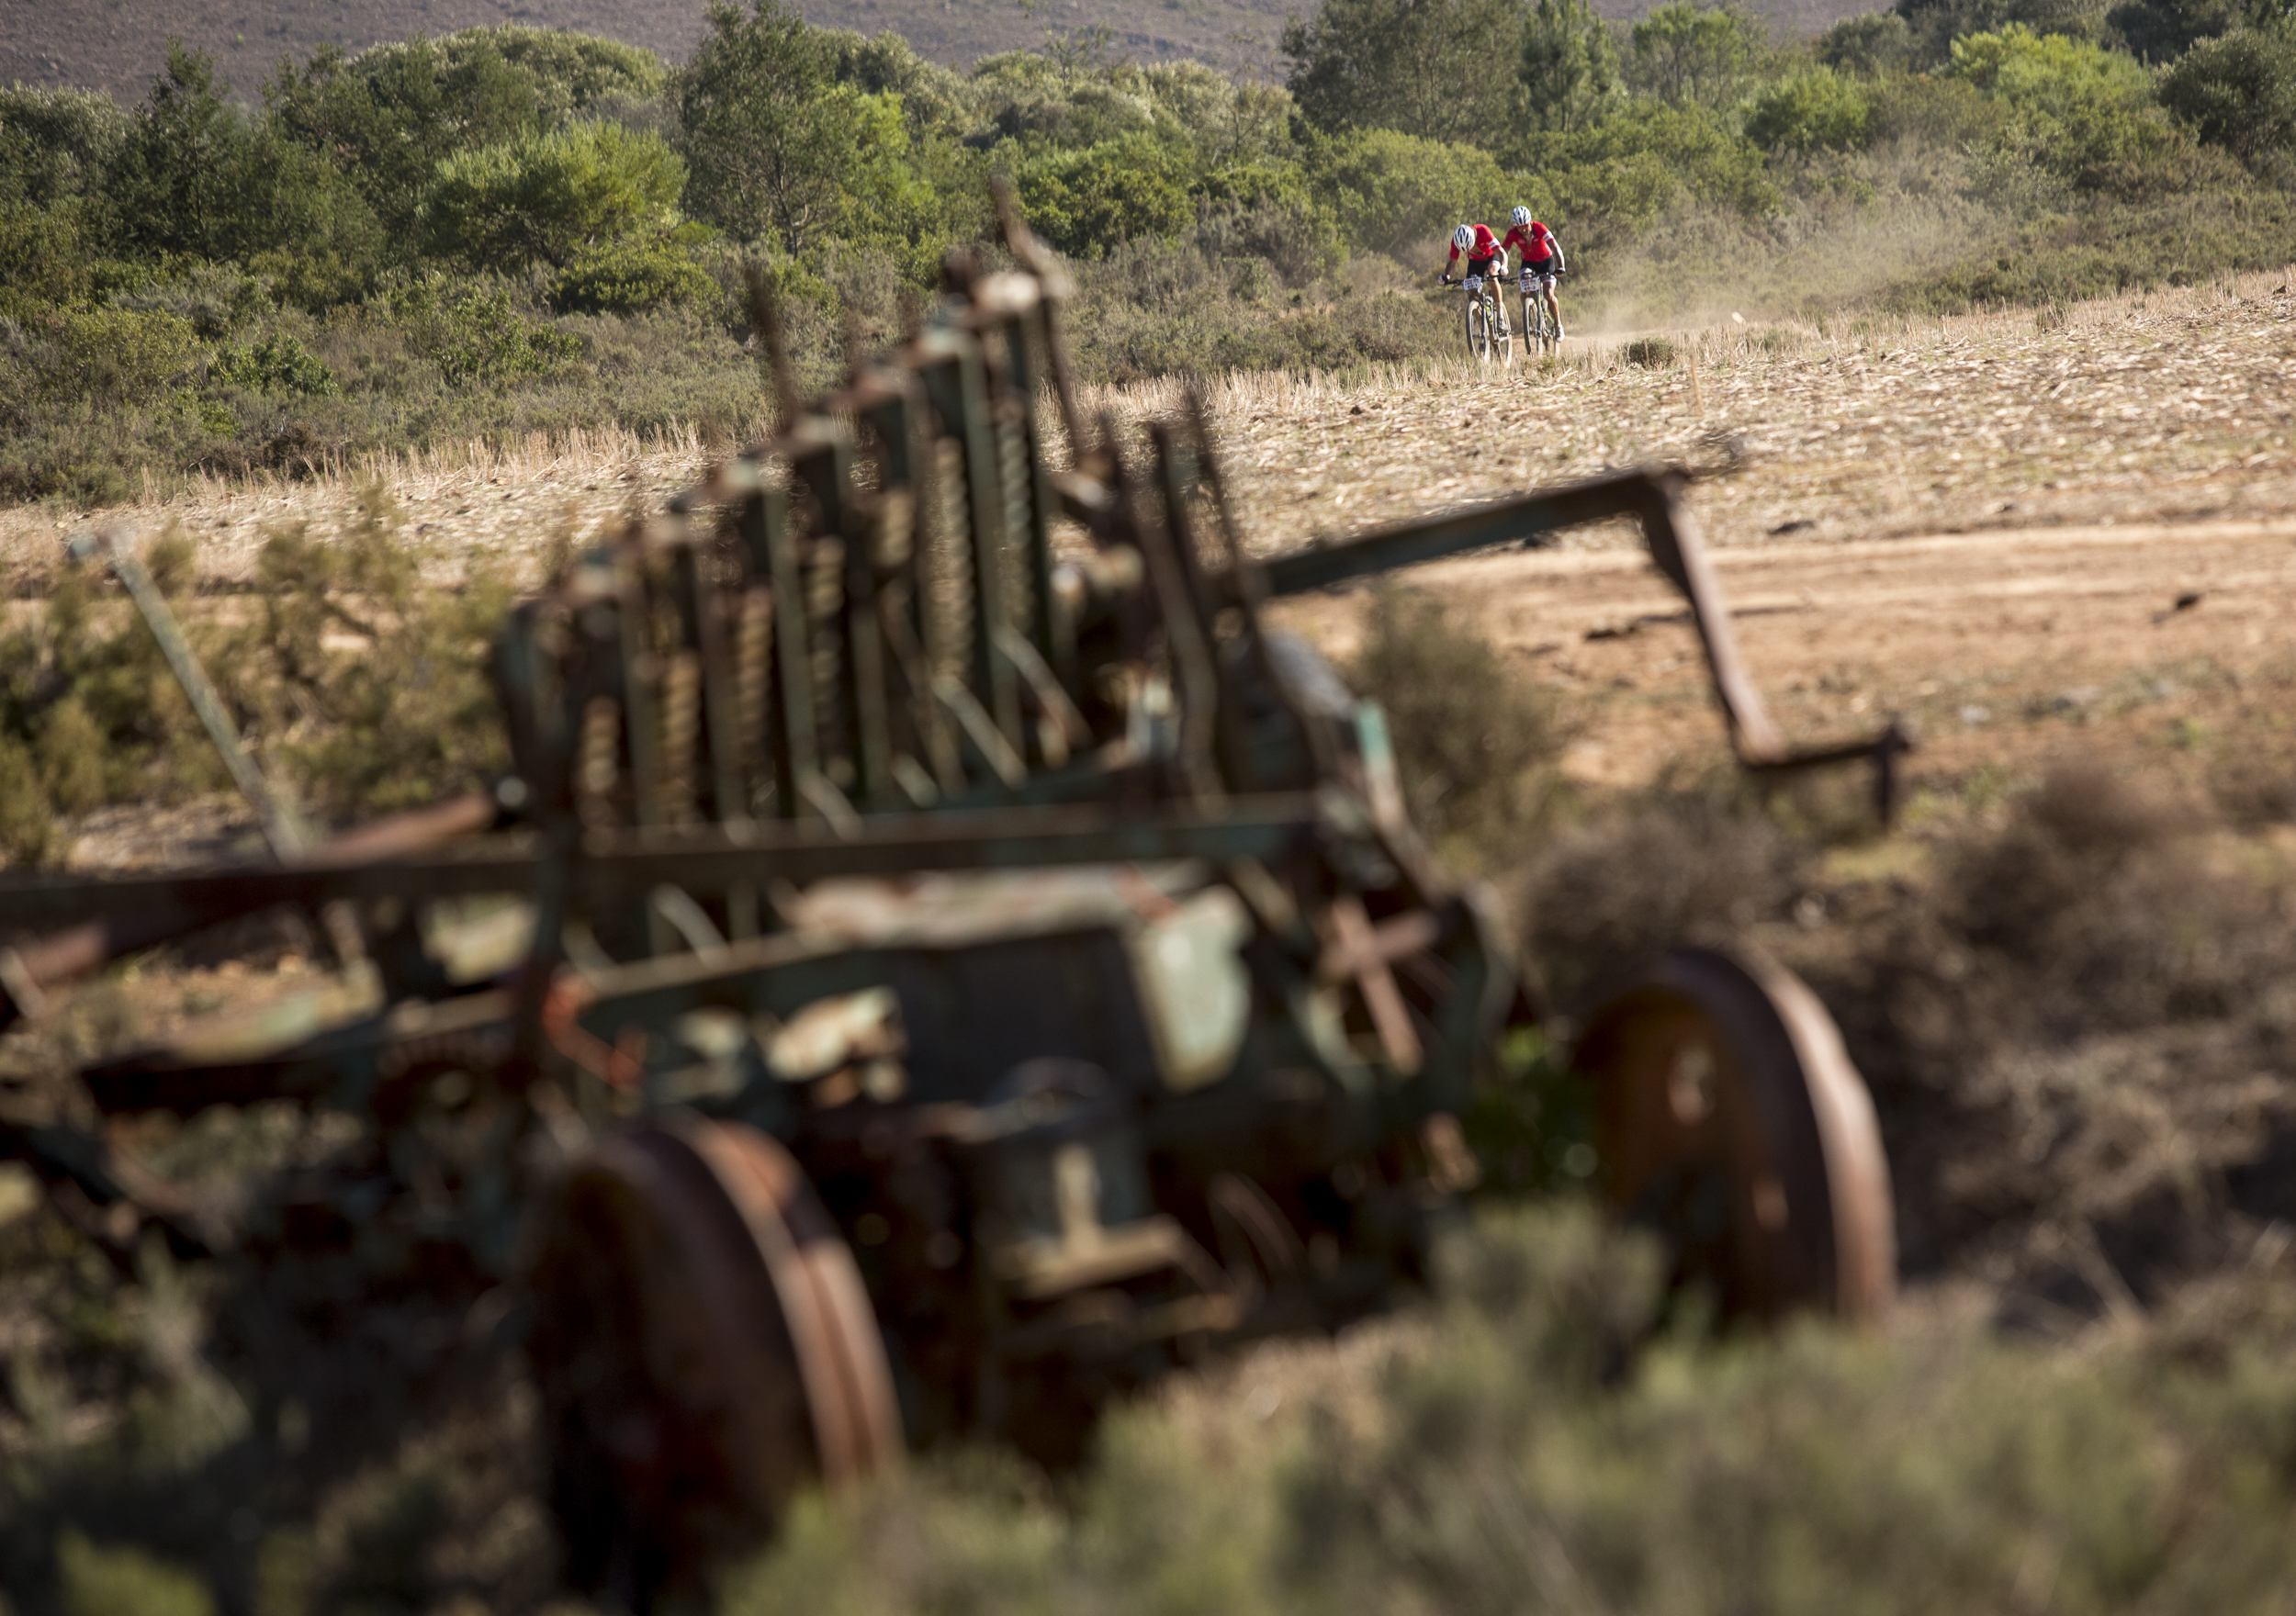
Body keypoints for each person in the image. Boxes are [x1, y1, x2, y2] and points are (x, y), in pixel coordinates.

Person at [1502, 207, 1566, 340]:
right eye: (1520, 228)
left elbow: (1555, 247)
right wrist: (1501, 270)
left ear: (1530, 222)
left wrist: (1561, 267)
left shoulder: (1539, 228)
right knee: (1524, 287)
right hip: (1528, 263)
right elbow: (1503, 251)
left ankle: (1558, 324)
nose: (1523, 229)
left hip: (1546, 262)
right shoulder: (1513, 233)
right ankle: (1530, 311)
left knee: (1548, 293)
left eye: (1525, 226)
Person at [1437, 223, 1510, 337]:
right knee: (1471, 290)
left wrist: (1504, 267)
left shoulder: (1483, 231)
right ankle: (1482, 327)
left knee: (1492, 275)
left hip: (1491, 257)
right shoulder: (1456, 240)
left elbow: (1501, 253)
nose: (1471, 249)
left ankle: (1500, 317)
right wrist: (1446, 276)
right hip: (1475, 262)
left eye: (1471, 247)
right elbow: (1452, 262)